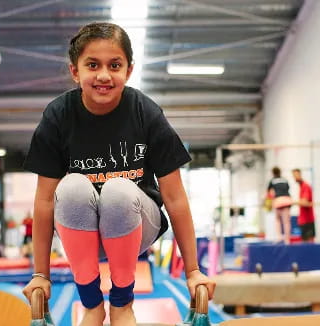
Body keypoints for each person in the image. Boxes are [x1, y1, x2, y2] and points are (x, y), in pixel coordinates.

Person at [21, 22, 215, 326]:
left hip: (135, 223)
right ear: (75, 71)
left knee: (118, 190)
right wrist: (40, 275)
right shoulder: (58, 116)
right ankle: (92, 304)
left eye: (115, 65)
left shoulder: (144, 112)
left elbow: (175, 197)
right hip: (79, 227)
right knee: (71, 186)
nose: (103, 75)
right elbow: (45, 202)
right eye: (92, 65)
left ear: (129, 69)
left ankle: (123, 302)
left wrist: (193, 271)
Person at [267, 166, 292, 244]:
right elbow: (288, 188)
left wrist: (269, 202)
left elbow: (270, 192)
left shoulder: (272, 180)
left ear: (273, 173)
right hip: (287, 200)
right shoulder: (285, 179)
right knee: (286, 221)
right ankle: (287, 239)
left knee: (278, 219)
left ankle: (279, 237)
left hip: (278, 200)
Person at [292, 169, 315, 242]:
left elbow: (305, 202)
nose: (295, 177)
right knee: (304, 243)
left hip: (307, 220)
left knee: (309, 244)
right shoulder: (301, 187)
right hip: (303, 220)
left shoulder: (305, 186)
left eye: (296, 175)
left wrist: (292, 202)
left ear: (300, 174)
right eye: (293, 176)